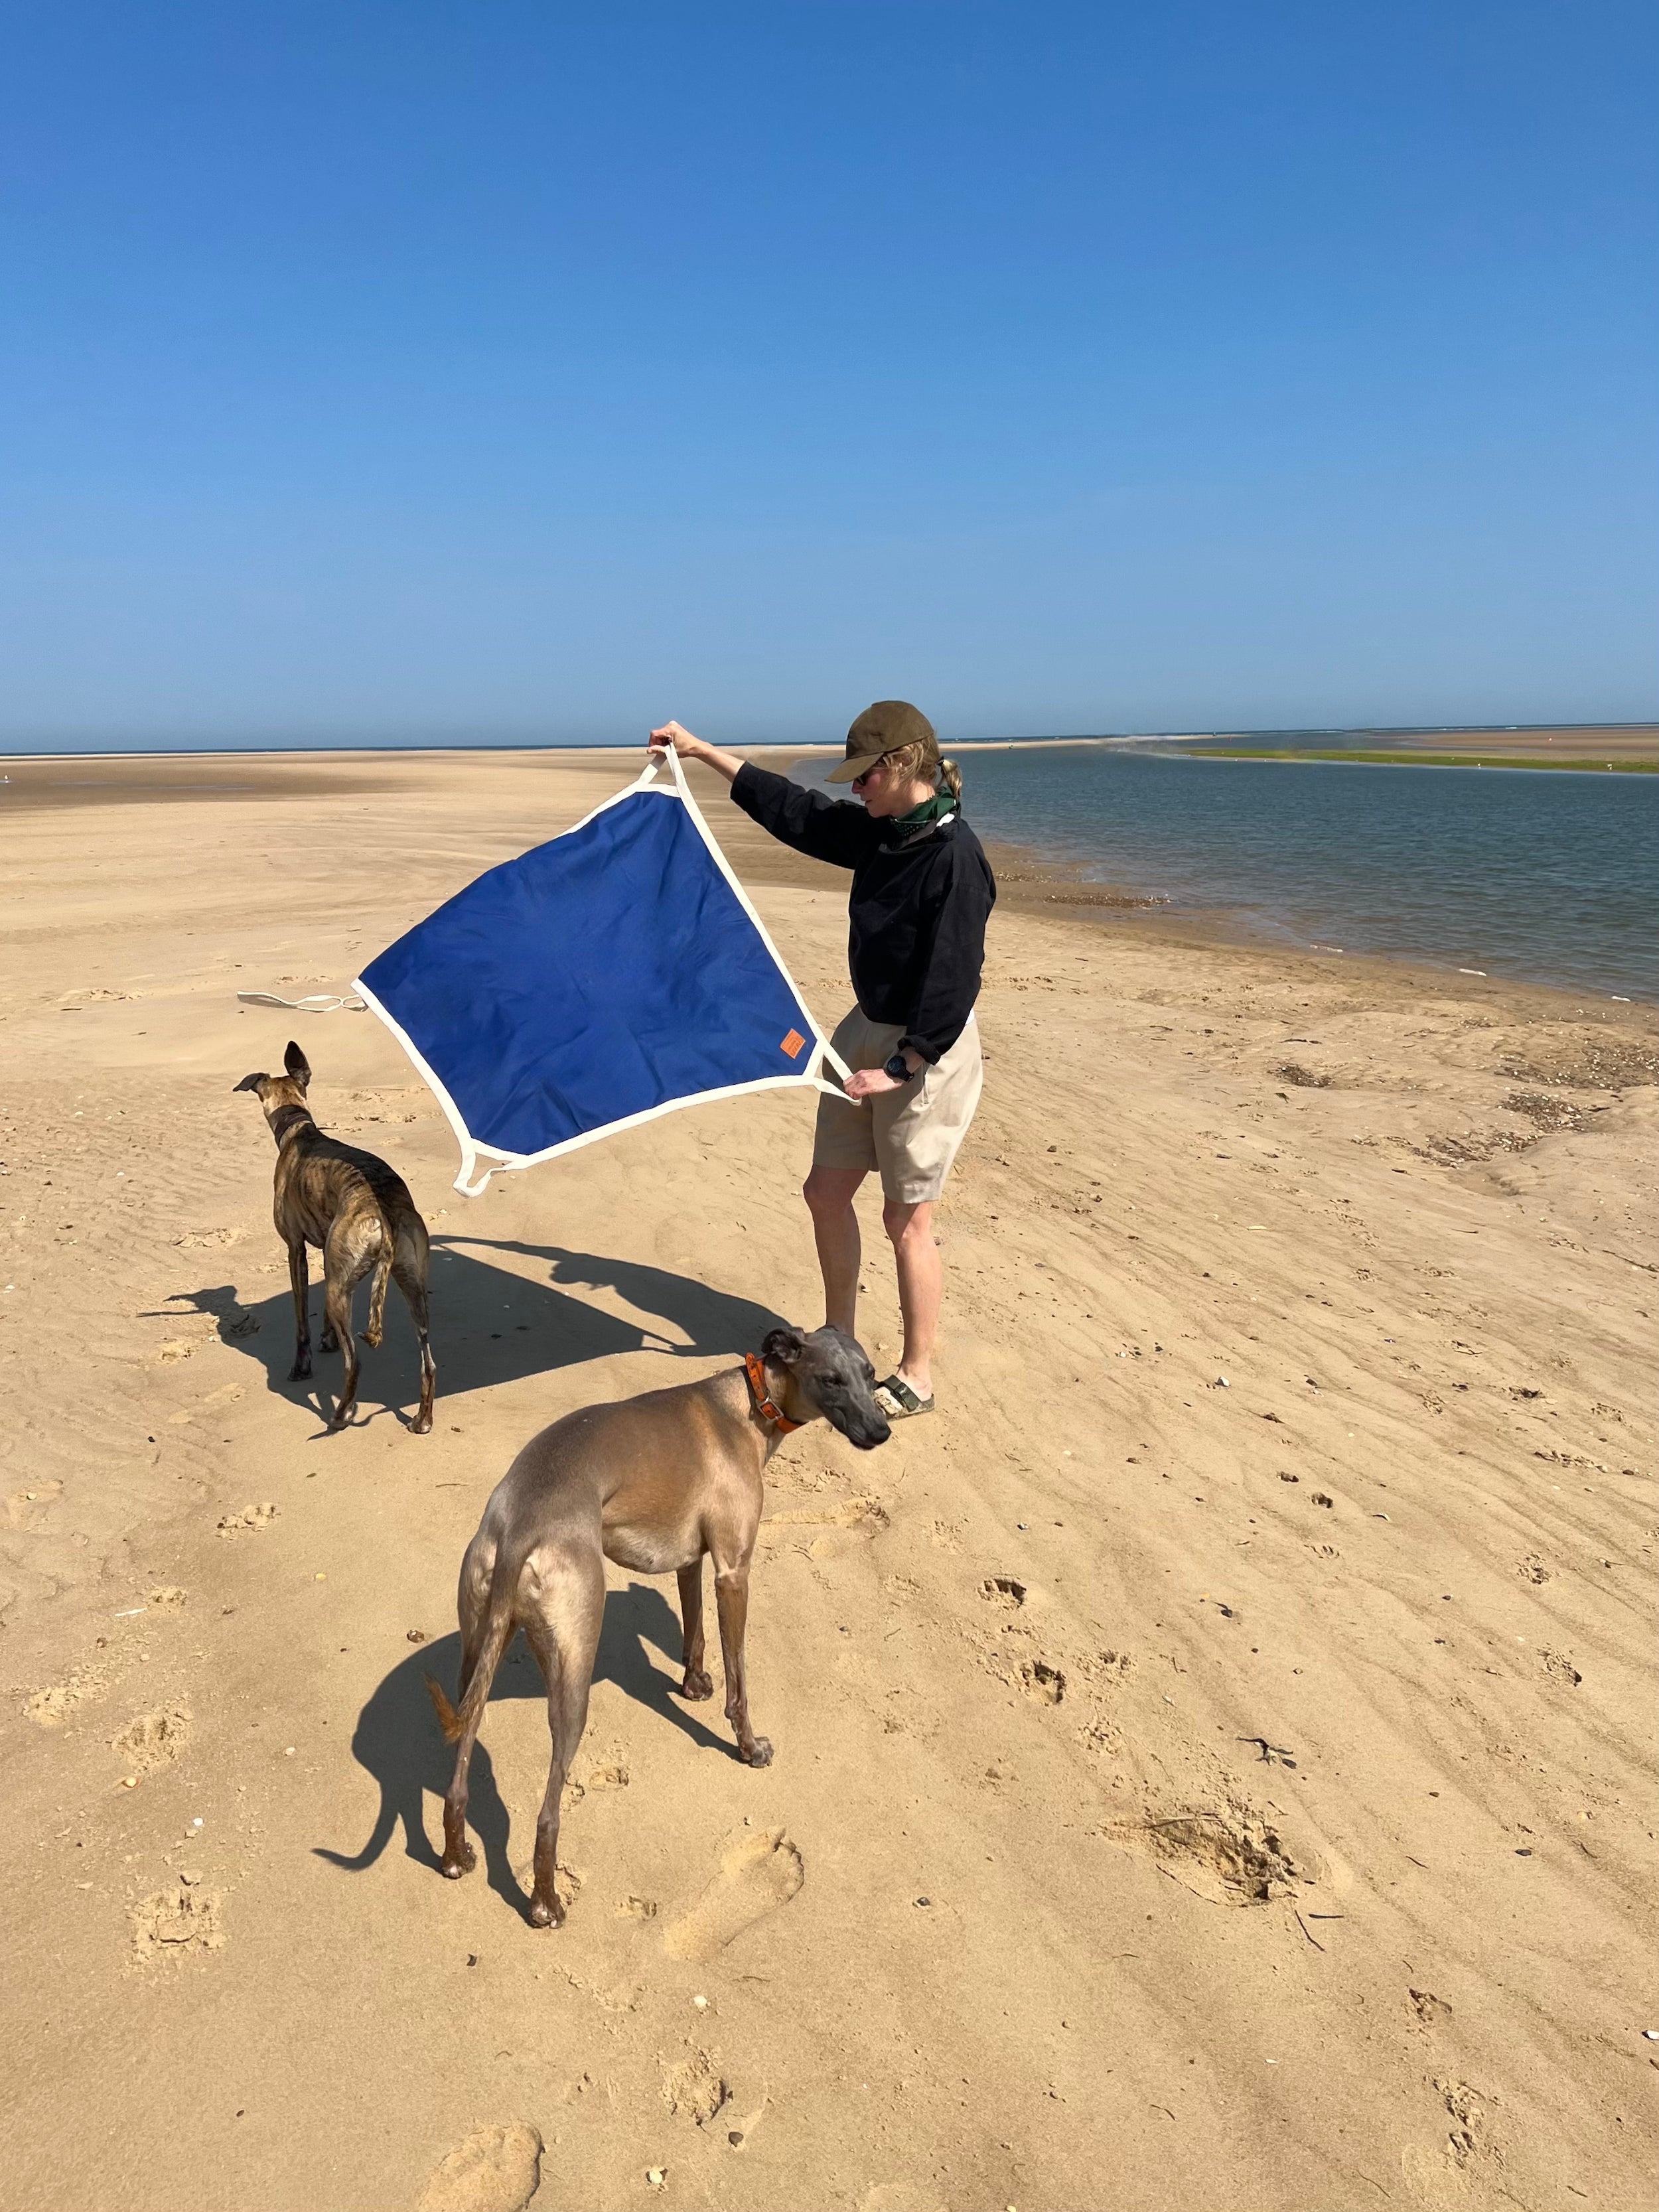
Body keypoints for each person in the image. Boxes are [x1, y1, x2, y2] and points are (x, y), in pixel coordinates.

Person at [649, 701, 995, 1420]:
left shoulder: (955, 857)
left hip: (927, 1046)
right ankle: (840, 1341)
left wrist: (902, 1066)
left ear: (901, 765)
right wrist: (703, 749)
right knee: (824, 1191)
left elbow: (954, 980)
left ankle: (917, 1373)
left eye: (864, 777)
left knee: (908, 1220)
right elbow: (795, 812)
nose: (853, 790)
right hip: (864, 1028)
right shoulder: (879, 834)